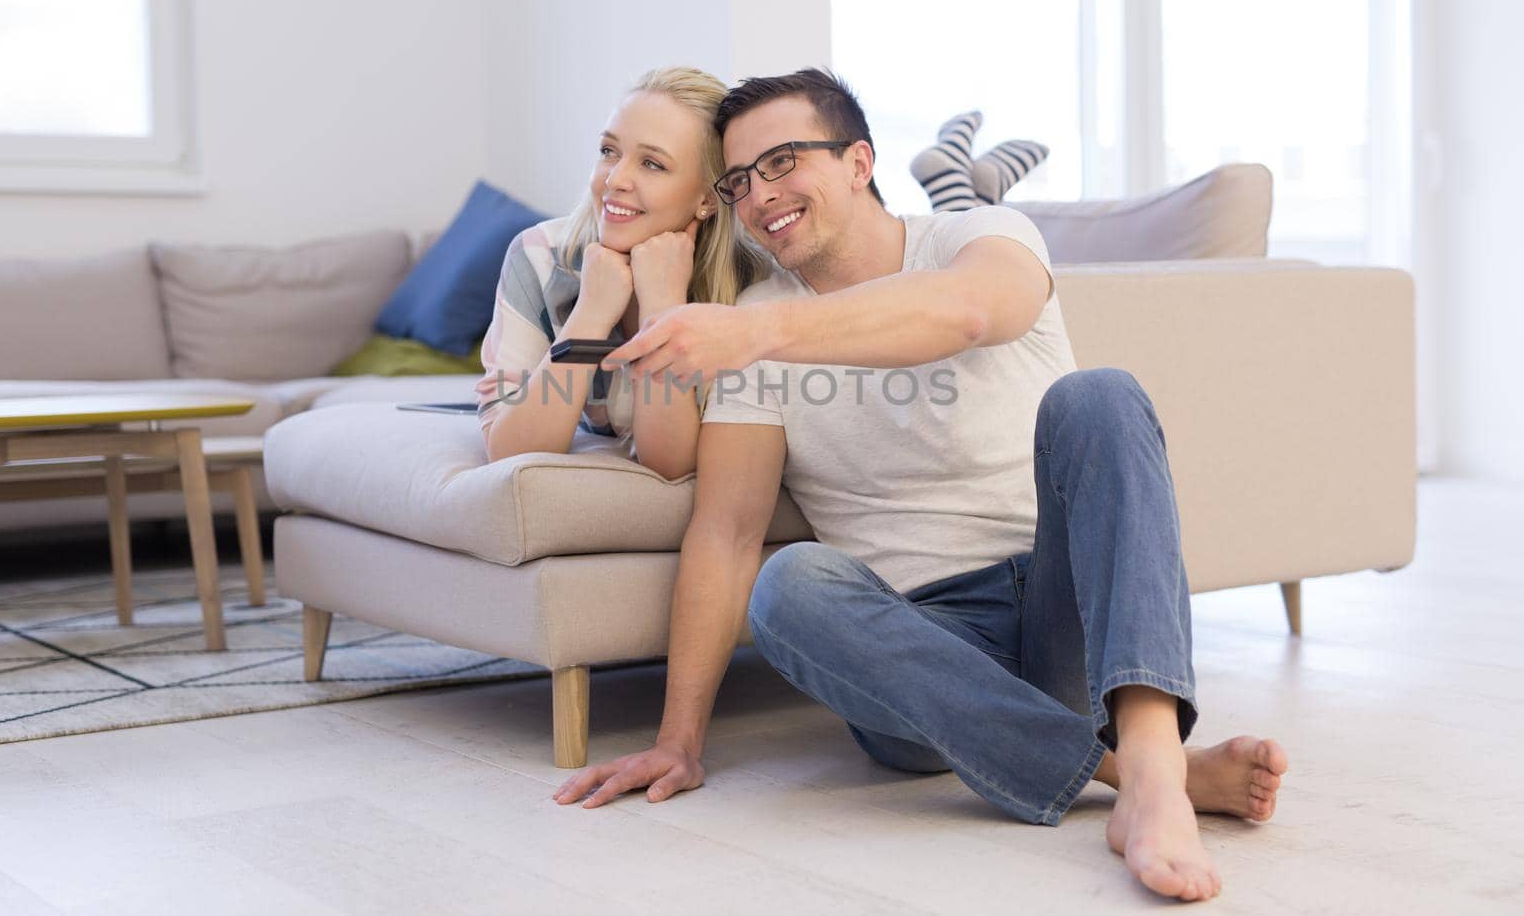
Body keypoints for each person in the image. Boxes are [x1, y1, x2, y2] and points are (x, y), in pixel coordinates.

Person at [552, 69, 1289, 904]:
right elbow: (724, 534)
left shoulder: (979, 237)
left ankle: (1154, 774)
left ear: (860, 160)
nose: (762, 195)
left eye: (785, 161)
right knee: (788, 583)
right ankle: (1136, 774)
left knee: (1103, 396)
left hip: (1063, 613)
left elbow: (969, 311)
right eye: (740, 180)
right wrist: (679, 739)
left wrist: (755, 332)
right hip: (921, 659)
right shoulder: (753, 323)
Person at [476, 66, 764, 479]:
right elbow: (511, 453)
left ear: (709, 198)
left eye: (651, 163)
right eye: (609, 151)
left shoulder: (752, 284)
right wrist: (590, 314)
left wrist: (662, 306)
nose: (615, 179)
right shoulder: (540, 255)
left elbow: (669, 465)